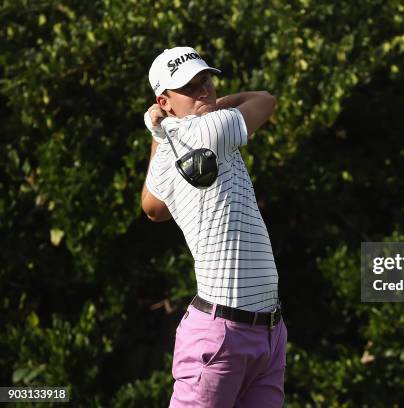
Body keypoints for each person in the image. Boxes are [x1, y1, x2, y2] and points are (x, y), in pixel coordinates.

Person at [141, 46, 287, 407]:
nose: (203, 90)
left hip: (267, 331)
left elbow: (152, 207)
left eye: (205, 78)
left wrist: (159, 134)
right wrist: (214, 108)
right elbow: (265, 100)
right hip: (221, 338)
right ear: (165, 100)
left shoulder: (172, 145)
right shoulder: (216, 127)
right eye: (189, 87)